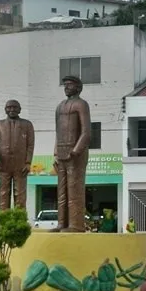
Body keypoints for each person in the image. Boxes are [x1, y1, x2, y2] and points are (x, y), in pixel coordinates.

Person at [51, 75, 92, 233]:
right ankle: (62, 223)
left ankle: (75, 225)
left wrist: (75, 151)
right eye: (65, 85)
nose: (66, 87)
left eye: (70, 85)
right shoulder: (60, 106)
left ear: (78, 88)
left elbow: (86, 132)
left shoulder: (81, 105)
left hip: (76, 154)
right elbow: (57, 131)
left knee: (74, 190)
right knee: (61, 191)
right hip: (61, 153)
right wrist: (55, 152)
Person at [0, 99, 35, 210]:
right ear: (5, 110)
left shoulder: (27, 124)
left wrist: (28, 162)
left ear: (19, 110)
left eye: (15, 107)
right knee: (3, 193)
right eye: (9, 107)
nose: (12, 109)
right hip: (4, 165)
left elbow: (30, 145)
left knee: (20, 194)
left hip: (20, 166)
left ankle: (19, 219)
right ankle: (3, 218)